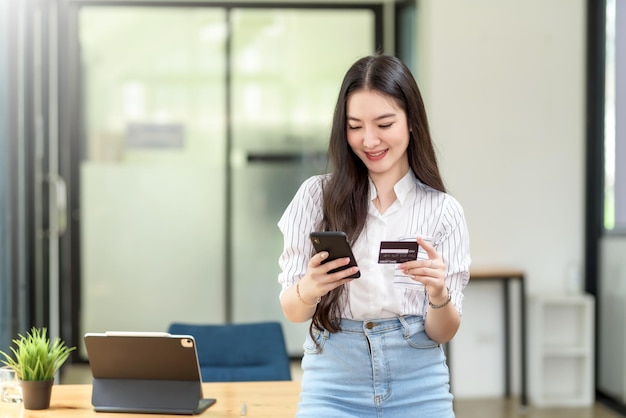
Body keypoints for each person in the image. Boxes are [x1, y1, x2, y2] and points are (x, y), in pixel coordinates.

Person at [277, 54, 471, 418]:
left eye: (384, 124)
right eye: (355, 126)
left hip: (418, 382)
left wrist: (439, 294)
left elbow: (443, 332)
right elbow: (293, 310)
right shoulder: (315, 197)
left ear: (411, 121)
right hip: (333, 381)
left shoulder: (443, 211)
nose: (369, 140)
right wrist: (311, 287)